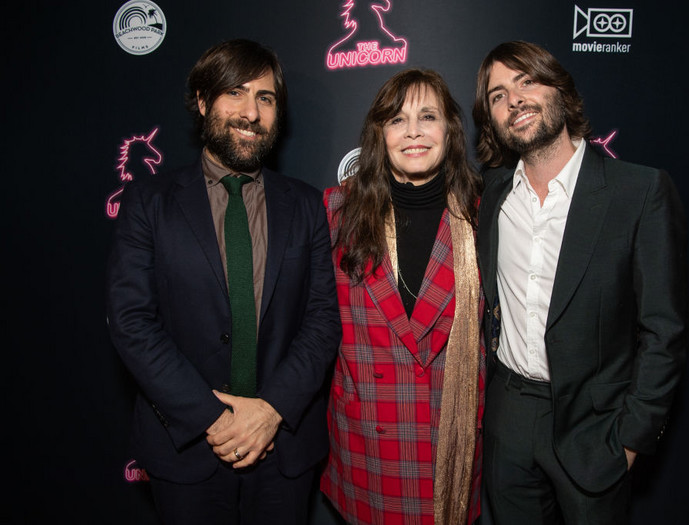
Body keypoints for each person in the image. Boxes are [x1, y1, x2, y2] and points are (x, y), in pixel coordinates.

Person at [106, 39, 341, 525]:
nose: (251, 112)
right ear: (201, 101)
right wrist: (215, 420)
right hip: (186, 446)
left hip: (284, 449)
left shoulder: (306, 205)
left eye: (266, 98)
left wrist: (271, 411)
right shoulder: (149, 203)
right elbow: (132, 322)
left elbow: (322, 320)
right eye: (235, 92)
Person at [472, 41, 687, 524]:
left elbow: (664, 331)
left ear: (561, 91)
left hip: (596, 425)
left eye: (528, 81)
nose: (515, 100)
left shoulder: (639, 191)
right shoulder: (492, 193)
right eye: (498, 94)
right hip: (508, 414)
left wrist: (632, 438)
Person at [321, 68, 485, 525]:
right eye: (397, 119)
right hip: (368, 446)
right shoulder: (335, 213)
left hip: (451, 445)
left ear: (450, 130)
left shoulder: (483, 215)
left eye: (427, 116)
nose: (413, 131)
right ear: (379, 134)